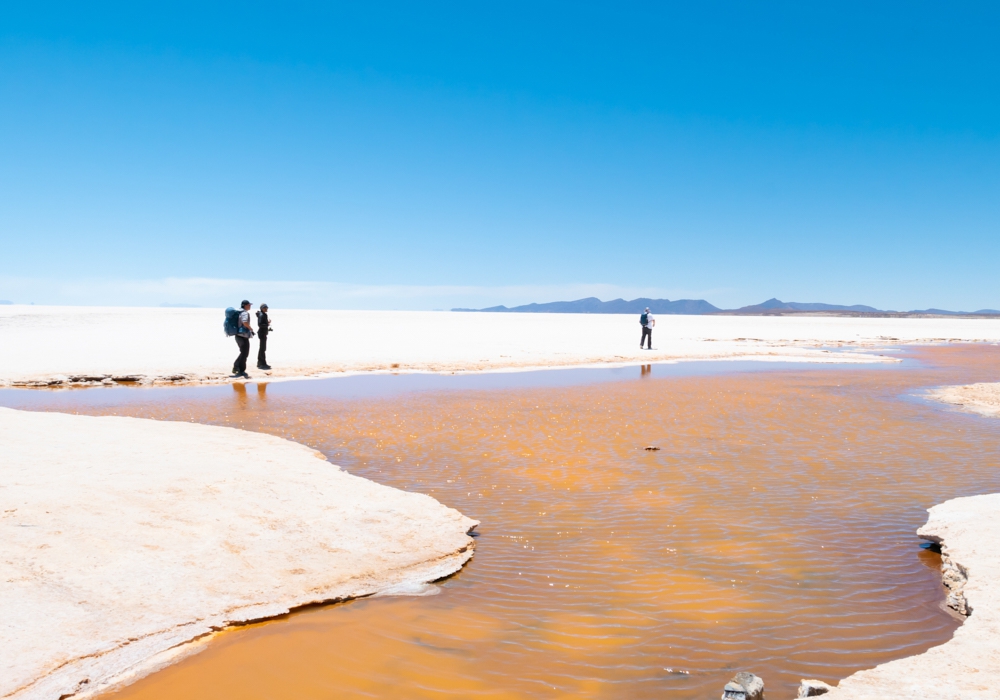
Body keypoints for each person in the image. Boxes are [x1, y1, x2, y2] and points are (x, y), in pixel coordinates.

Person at [232, 300, 255, 377]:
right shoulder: (244, 313)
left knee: (243, 352)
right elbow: (245, 322)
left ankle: (236, 367)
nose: (250, 306)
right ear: (245, 305)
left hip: (238, 335)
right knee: (245, 353)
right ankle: (240, 370)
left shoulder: (239, 312)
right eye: (249, 305)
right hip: (243, 336)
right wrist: (251, 329)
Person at [256, 303, 272, 370]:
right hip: (262, 333)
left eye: (267, 307)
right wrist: (267, 325)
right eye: (265, 308)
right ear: (262, 308)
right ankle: (261, 363)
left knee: (263, 348)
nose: (266, 309)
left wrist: (267, 323)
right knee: (262, 348)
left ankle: (262, 363)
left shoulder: (263, 314)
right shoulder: (262, 315)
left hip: (263, 332)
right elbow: (260, 324)